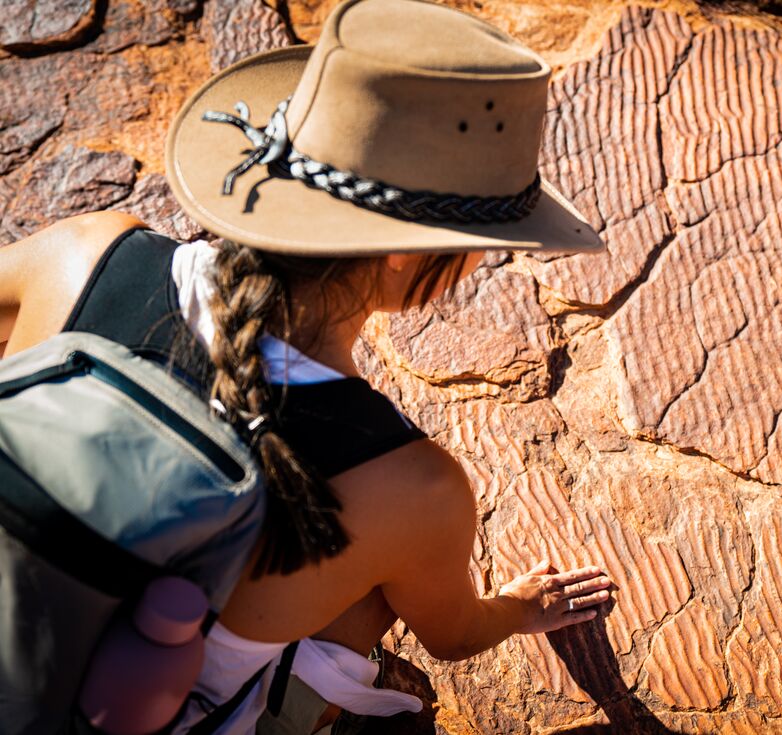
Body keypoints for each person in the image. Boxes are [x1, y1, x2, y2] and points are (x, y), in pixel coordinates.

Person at [0, 0, 612, 731]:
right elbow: (452, 637)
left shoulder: (86, 252)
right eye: (483, 236)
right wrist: (522, 607)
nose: (483, 259)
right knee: (376, 590)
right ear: (404, 250)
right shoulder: (411, 484)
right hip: (132, 709)